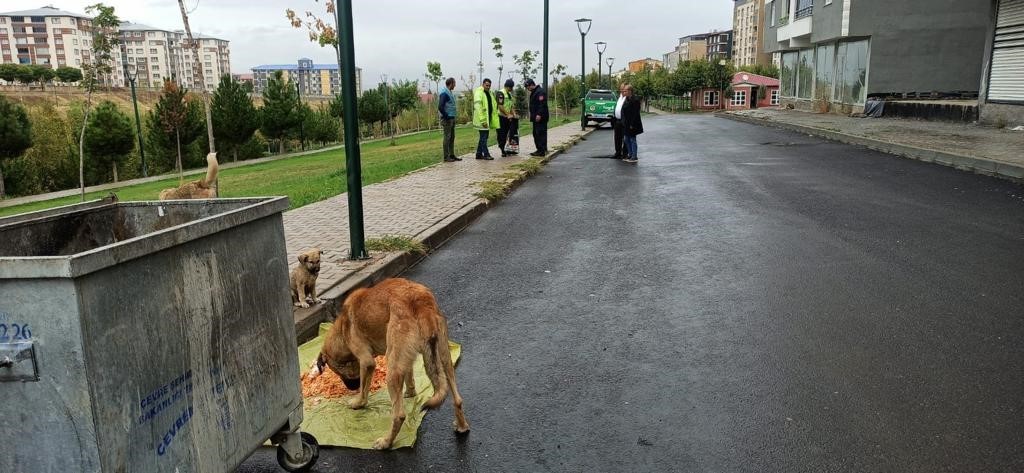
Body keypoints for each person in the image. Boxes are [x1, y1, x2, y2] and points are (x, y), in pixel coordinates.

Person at [472, 78, 500, 160]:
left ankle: (478, 154)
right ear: (483, 84)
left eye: (489, 86)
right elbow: (478, 107)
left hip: (487, 119)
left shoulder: (489, 93)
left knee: (484, 137)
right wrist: (483, 120)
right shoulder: (479, 92)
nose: (488, 87)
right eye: (487, 85)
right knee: (484, 137)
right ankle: (486, 154)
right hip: (481, 120)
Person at [438, 77, 461, 162]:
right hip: (447, 119)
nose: (455, 85)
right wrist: (446, 116)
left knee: (452, 137)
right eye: (454, 83)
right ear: (451, 83)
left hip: (451, 118)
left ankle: (451, 155)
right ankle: (446, 156)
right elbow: (440, 106)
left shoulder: (449, 92)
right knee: (447, 137)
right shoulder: (444, 93)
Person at [524, 78, 548, 156]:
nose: (527, 89)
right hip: (536, 117)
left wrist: (539, 114)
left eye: (528, 87)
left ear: (531, 85)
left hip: (540, 117)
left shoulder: (540, 92)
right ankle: (540, 149)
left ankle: (541, 151)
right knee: (536, 133)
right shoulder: (534, 92)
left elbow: (542, 104)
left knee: (540, 133)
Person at [620, 84, 643, 164]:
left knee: (632, 139)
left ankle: (634, 156)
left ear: (630, 91)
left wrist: (632, 124)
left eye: (625, 91)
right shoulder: (626, 99)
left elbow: (635, 113)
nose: (624, 92)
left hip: (633, 123)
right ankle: (630, 154)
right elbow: (623, 110)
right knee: (626, 139)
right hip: (626, 123)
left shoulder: (635, 100)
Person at [496, 78, 519, 157]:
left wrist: (514, 114)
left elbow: (511, 106)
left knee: (508, 134)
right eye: (511, 87)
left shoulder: (509, 94)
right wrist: (507, 114)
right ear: (508, 87)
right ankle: (502, 149)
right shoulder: (500, 93)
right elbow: (500, 106)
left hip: (508, 118)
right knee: (501, 134)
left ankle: (507, 148)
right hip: (501, 117)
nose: (512, 89)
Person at [611, 82, 627, 159]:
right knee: (617, 137)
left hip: (624, 121)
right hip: (617, 120)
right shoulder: (619, 97)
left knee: (625, 138)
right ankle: (618, 152)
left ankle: (625, 153)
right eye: (620, 89)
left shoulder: (627, 98)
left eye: (623, 89)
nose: (621, 90)